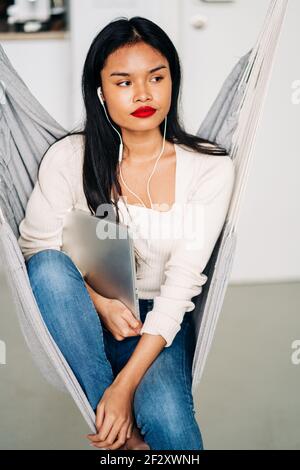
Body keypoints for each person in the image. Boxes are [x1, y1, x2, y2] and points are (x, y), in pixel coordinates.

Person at [18, 16, 235, 451]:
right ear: (100, 91)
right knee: (47, 266)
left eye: (157, 77)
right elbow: (35, 248)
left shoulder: (210, 169)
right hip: (82, 314)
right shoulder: (69, 158)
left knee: (171, 429)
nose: (143, 94)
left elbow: (183, 284)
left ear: (173, 81)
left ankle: (117, 419)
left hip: (160, 321)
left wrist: (126, 388)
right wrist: (100, 305)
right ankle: (124, 436)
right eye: (123, 82)